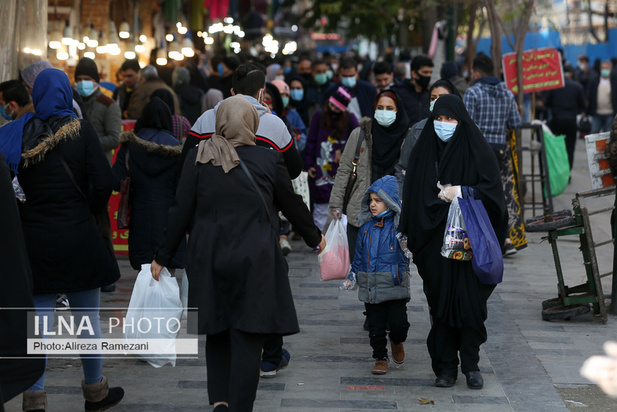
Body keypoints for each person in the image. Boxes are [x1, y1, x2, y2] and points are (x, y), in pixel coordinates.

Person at [150, 95, 325, 412]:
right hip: (254, 259)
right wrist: (316, 237)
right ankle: (240, 405)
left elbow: (179, 212)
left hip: (208, 258)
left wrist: (162, 256)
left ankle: (219, 399)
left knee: (216, 332)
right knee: (248, 335)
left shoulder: (198, 158)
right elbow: (292, 205)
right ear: (251, 124)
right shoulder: (268, 159)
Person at [1, 68, 124, 411]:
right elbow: (104, 181)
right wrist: (86, 208)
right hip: (79, 237)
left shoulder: (16, 133)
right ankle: (96, 392)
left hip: (33, 241)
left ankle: (35, 398)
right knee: (88, 320)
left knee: (38, 323)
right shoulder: (81, 130)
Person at [399, 94, 507, 390]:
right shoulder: (423, 152)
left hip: (471, 246)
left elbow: (495, 197)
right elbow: (413, 198)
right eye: (439, 119)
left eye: (450, 119)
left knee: (470, 305)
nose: (444, 125)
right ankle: (445, 367)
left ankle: (471, 364)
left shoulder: (478, 150)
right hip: (434, 245)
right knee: (441, 306)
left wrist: (462, 191)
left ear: (462, 121)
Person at [341, 175, 410, 375]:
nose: (373, 205)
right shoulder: (365, 228)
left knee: (399, 325)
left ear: (389, 201)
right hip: (371, 287)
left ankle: (397, 340)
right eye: (370, 200)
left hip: (394, 285)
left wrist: (408, 245)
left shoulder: (399, 227)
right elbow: (359, 257)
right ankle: (380, 357)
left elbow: (409, 249)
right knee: (375, 327)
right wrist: (353, 276)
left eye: (378, 201)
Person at [186, 62, 303, 180]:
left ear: (232, 92)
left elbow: (186, 161)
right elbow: (294, 169)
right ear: (261, 93)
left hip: (209, 194)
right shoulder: (275, 124)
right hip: (258, 195)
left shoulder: (205, 118)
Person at [329, 90, 410, 259]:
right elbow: (344, 169)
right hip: (361, 209)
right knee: (359, 264)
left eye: (389, 108)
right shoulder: (359, 135)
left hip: (394, 213)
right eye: (380, 107)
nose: (384, 111)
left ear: (398, 110)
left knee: (388, 268)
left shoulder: (408, 137)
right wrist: (336, 203)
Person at [112, 97, 185, 271]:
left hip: (140, 218)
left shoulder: (130, 147)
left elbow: (116, 181)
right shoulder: (179, 150)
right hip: (170, 222)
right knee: (168, 275)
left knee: (144, 275)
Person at [463, 53, 522, 255]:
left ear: (477, 73)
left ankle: (482, 240)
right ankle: (505, 239)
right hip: (500, 152)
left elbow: (467, 124)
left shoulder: (472, 93)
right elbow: (516, 123)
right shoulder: (507, 93)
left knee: (478, 195)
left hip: (478, 152)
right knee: (499, 194)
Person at [0, 152, 46, 408]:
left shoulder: (12, 141)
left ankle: (36, 396)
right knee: (89, 318)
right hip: (65, 235)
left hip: (33, 234)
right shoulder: (80, 137)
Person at [304, 86, 360, 231]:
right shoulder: (319, 115)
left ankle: (340, 238)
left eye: (337, 108)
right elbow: (311, 140)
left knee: (341, 200)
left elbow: (359, 139)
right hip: (321, 166)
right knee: (321, 203)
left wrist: (343, 151)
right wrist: (308, 164)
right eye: (331, 105)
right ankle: (319, 239)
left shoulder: (350, 119)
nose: (333, 109)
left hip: (341, 169)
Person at [396, 79, 461, 196]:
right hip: (423, 202)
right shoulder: (418, 130)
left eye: (442, 97)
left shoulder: (469, 132)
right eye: (433, 98)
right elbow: (402, 168)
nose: (437, 101)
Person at [543, 66, 586, 169]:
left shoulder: (554, 86)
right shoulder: (577, 87)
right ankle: (568, 172)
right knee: (570, 148)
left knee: (557, 147)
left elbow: (546, 102)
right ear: (571, 74)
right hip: (571, 121)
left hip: (557, 121)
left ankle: (558, 170)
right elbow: (583, 105)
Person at [391, 55, 434, 125]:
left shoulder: (430, 94)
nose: (428, 76)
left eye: (430, 73)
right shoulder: (398, 92)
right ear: (414, 74)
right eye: (425, 72)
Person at [271, 79, 307, 152]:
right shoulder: (267, 115)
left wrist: (298, 137)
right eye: (281, 95)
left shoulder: (293, 114)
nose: (284, 98)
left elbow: (303, 136)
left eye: (286, 95)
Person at [587, 60, 617, 133]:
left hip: (610, 113)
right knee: (594, 133)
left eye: (607, 68)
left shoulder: (614, 82)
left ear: (610, 69)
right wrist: (587, 111)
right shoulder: (595, 81)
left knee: (608, 135)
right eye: (603, 68)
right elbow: (590, 96)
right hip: (596, 113)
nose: (605, 70)